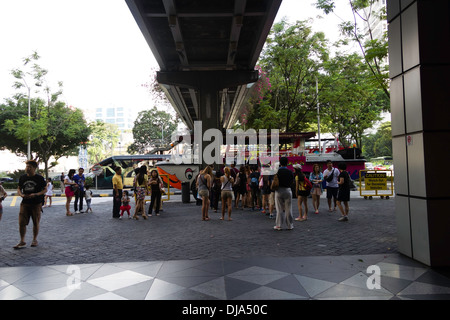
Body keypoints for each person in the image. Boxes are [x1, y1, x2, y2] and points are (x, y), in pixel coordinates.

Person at [14, 160, 47, 249]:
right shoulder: (22, 177)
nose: (27, 169)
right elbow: (19, 188)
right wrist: (21, 195)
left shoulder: (39, 178)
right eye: (27, 167)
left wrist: (36, 194)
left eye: (29, 167)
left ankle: (34, 239)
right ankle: (22, 241)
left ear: (34, 168)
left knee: (35, 222)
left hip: (36, 203)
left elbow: (45, 190)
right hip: (25, 203)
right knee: (21, 222)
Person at [273, 157, 294, 231]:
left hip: (279, 191)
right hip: (288, 190)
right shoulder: (290, 172)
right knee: (288, 208)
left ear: (280, 163)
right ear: (287, 163)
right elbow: (292, 181)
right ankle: (290, 225)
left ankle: (278, 225)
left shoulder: (277, 171)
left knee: (279, 209)